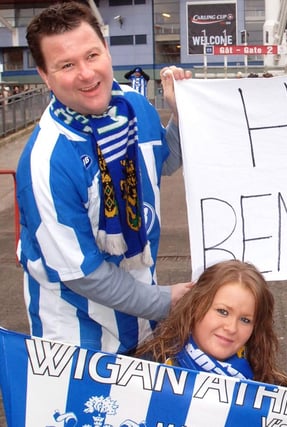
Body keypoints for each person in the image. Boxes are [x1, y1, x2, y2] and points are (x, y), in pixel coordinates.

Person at [17, 1, 193, 354]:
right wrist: (166, 302)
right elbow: (84, 274)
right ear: (44, 74)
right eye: (66, 65)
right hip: (78, 335)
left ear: (107, 51)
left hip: (142, 312)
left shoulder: (134, 105)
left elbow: (164, 161)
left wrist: (183, 114)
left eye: (92, 55)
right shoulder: (46, 160)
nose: (86, 73)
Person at [135, 260, 287, 386]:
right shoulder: (144, 371)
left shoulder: (270, 390)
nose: (231, 328)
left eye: (245, 320)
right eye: (222, 312)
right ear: (195, 306)